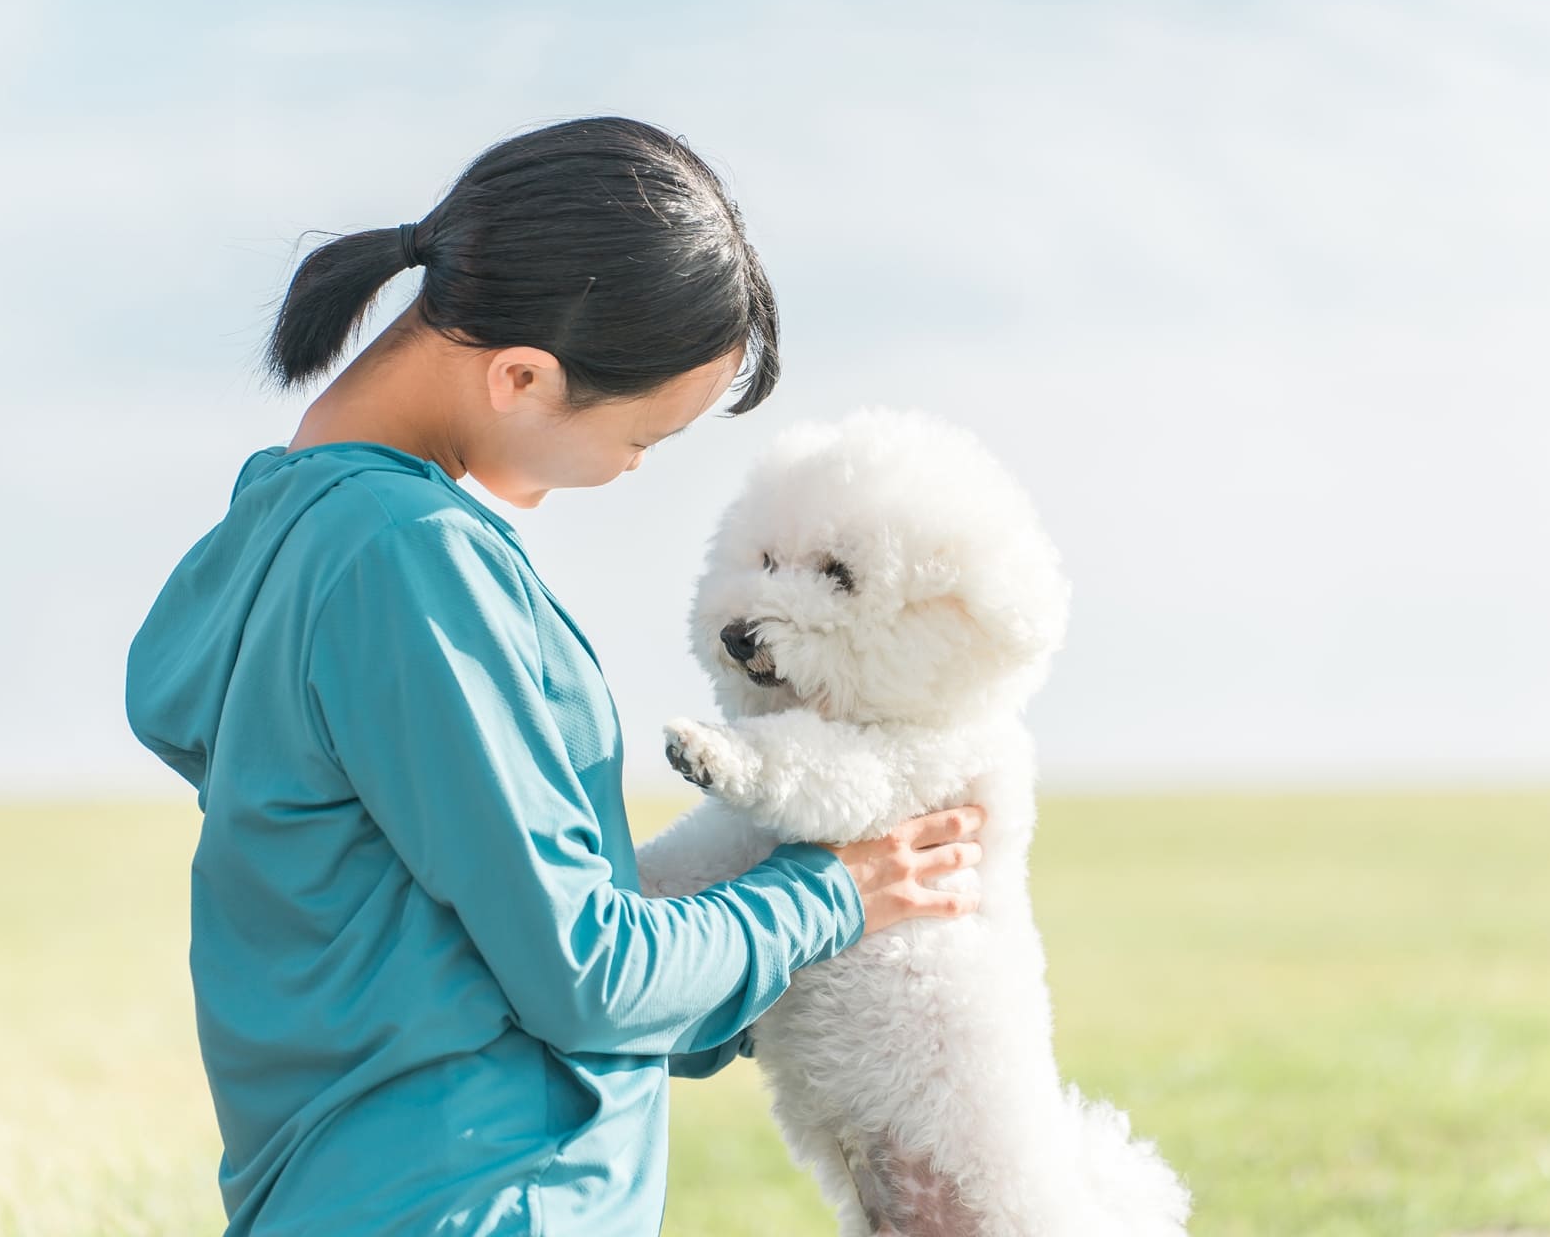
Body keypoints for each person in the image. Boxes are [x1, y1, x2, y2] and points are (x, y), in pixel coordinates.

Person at [123, 115, 987, 1237]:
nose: (630, 473)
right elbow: (588, 972)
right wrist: (836, 893)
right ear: (523, 375)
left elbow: (475, 962)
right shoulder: (408, 557)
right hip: (481, 1202)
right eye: (643, 438)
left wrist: (781, 965)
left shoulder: (286, 536)